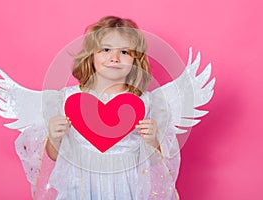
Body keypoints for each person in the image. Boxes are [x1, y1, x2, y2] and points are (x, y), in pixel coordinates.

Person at [44, 16, 180, 199]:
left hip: (127, 186)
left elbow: (158, 160)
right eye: (106, 49)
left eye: (124, 52)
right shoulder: (67, 99)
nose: (114, 58)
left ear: (135, 60)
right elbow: (54, 155)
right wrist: (54, 137)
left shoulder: (146, 103)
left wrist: (153, 141)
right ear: (91, 55)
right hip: (81, 186)